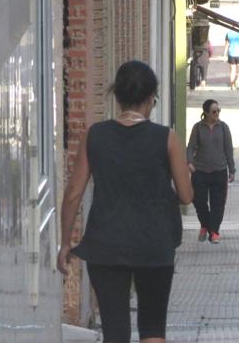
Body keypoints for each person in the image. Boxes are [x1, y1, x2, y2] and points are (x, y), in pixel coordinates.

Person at [57, 60, 193, 343]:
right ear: (151, 98)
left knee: (115, 331)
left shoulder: (95, 135)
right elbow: (186, 196)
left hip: (106, 244)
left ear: (116, 96)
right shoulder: (167, 138)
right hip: (155, 243)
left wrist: (65, 242)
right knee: (153, 328)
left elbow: (73, 194)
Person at [187, 99, 236, 244]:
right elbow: (190, 147)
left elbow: (228, 149)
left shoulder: (223, 128)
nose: (217, 113)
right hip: (200, 171)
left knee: (218, 204)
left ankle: (214, 231)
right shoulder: (198, 128)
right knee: (199, 201)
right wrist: (189, 162)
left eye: (219, 110)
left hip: (219, 171)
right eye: (214, 111)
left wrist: (231, 170)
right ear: (206, 113)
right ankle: (205, 225)